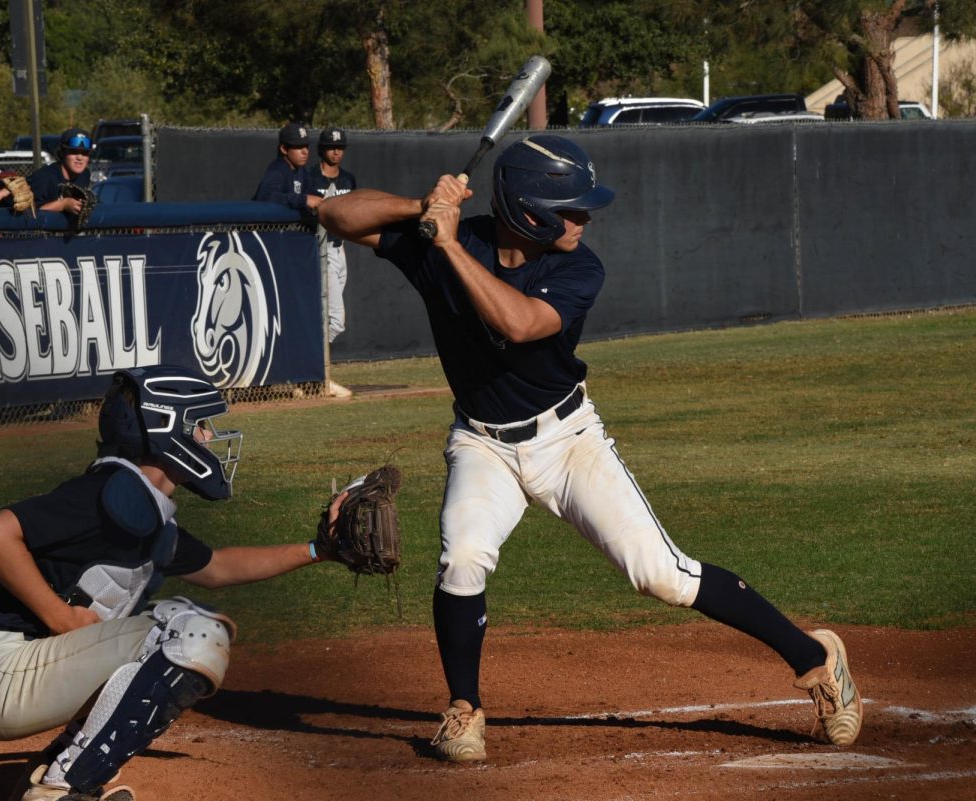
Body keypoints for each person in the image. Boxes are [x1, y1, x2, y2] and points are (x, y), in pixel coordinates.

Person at [316, 135, 863, 763]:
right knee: (462, 556)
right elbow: (333, 214)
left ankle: (817, 659)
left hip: (567, 441)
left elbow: (518, 324)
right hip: (482, 443)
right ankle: (464, 711)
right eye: (571, 209)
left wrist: (443, 246)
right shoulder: (445, 237)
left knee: (662, 575)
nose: (585, 219)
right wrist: (421, 207)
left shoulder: (576, 267)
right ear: (528, 212)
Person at [0, 364, 349, 801]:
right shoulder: (104, 495)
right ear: (165, 428)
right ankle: (61, 788)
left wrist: (318, 550)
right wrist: (61, 616)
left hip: (19, 674)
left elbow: (218, 567)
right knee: (186, 630)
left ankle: (55, 768)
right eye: (199, 426)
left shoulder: (142, 511)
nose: (209, 438)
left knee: (178, 627)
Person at [309, 127, 357, 344]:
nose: (336, 152)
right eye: (331, 147)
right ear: (322, 150)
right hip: (319, 248)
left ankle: (318, 369)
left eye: (340, 147)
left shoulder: (348, 180)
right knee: (335, 320)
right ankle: (312, 360)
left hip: (340, 248)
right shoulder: (311, 178)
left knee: (324, 314)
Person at [253, 123, 324, 216]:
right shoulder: (278, 169)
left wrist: (326, 199)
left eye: (306, 146)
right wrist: (304, 200)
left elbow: (309, 191)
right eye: (298, 146)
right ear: (284, 149)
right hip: (263, 228)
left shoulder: (301, 170)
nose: (305, 151)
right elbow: (265, 196)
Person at [30, 127, 93, 215]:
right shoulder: (45, 177)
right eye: (74, 152)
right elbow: (30, 215)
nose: (80, 158)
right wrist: (63, 204)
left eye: (85, 153)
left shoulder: (84, 174)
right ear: (62, 153)